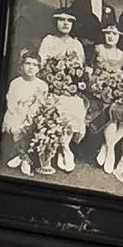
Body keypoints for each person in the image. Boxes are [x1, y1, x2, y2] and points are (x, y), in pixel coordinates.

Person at [36, 13, 87, 170]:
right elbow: (41, 65)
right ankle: (65, 150)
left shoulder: (76, 44)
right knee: (56, 104)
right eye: (61, 20)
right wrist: (52, 81)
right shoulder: (48, 40)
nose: (65, 23)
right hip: (50, 86)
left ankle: (63, 148)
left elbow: (80, 69)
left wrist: (70, 83)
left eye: (69, 21)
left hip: (69, 88)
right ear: (55, 22)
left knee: (76, 104)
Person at [85, 31, 123, 173]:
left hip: (116, 90)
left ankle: (107, 147)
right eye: (108, 33)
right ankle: (111, 153)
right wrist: (96, 84)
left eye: (114, 34)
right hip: (98, 93)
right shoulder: (97, 49)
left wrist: (122, 89)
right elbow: (88, 70)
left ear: (119, 36)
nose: (111, 36)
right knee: (112, 113)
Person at [3, 54, 51, 175]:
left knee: (36, 128)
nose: (31, 67)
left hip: (34, 116)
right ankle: (24, 157)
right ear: (22, 65)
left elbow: (42, 106)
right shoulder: (16, 83)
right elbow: (11, 104)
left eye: (35, 65)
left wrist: (32, 117)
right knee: (16, 127)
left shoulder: (42, 85)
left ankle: (23, 158)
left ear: (39, 68)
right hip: (17, 113)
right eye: (28, 63)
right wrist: (19, 115)